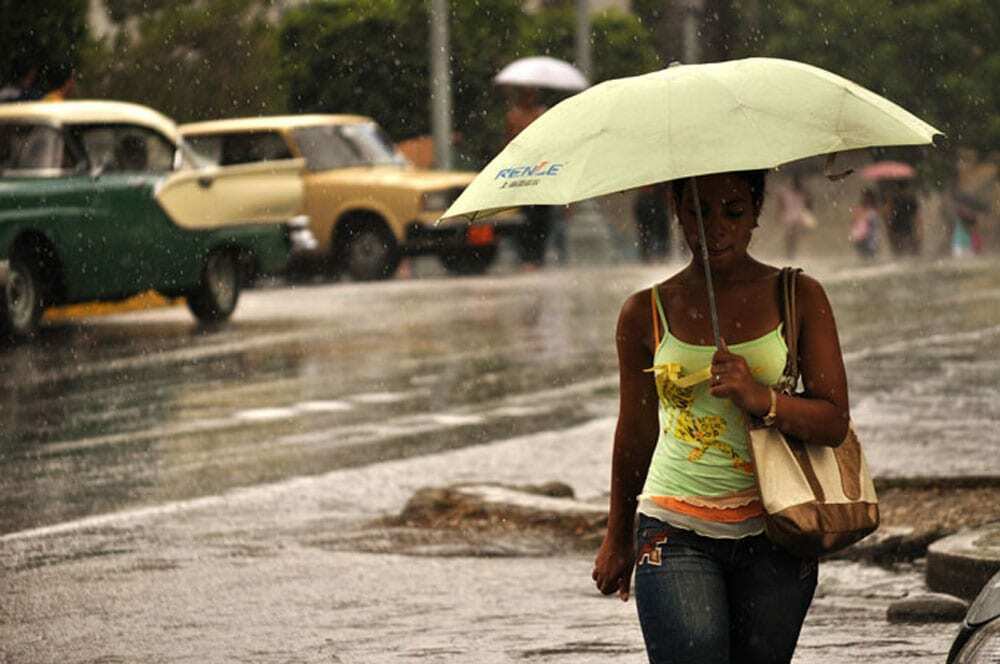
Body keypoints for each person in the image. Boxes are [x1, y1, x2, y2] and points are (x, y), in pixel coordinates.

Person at [592, 170, 851, 664]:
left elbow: (834, 420)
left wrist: (761, 397)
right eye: (698, 212)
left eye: (733, 211)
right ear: (677, 212)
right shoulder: (643, 313)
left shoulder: (799, 297)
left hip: (780, 526)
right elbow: (636, 432)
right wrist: (617, 535)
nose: (714, 228)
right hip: (674, 527)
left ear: (756, 213)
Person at [504, 86, 553, 267]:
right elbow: (509, 142)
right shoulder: (514, 116)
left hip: (542, 170)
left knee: (541, 217)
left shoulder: (543, 114)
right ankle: (526, 257)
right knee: (525, 217)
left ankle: (537, 256)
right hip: (523, 172)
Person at [775, 174, 814, 258]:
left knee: (793, 236)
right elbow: (781, 203)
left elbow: (809, 204)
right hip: (792, 216)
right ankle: (791, 252)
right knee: (791, 236)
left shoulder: (803, 193)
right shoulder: (788, 193)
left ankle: (793, 252)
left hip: (797, 216)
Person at [634, 183, 672, 262]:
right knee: (649, 233)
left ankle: (661, 257)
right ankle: (650, 257)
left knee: (659, 232)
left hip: (655, 203)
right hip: (650, 203)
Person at [848, 188, 881, 260]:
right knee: (863, 257)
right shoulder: (861, 209)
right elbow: (853, 222)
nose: (865, 199)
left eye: (866, 196)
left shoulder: (873, 210)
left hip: (870, 239)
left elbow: (874, 225)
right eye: (864, 196)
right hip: (861, 238)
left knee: (870, 256)